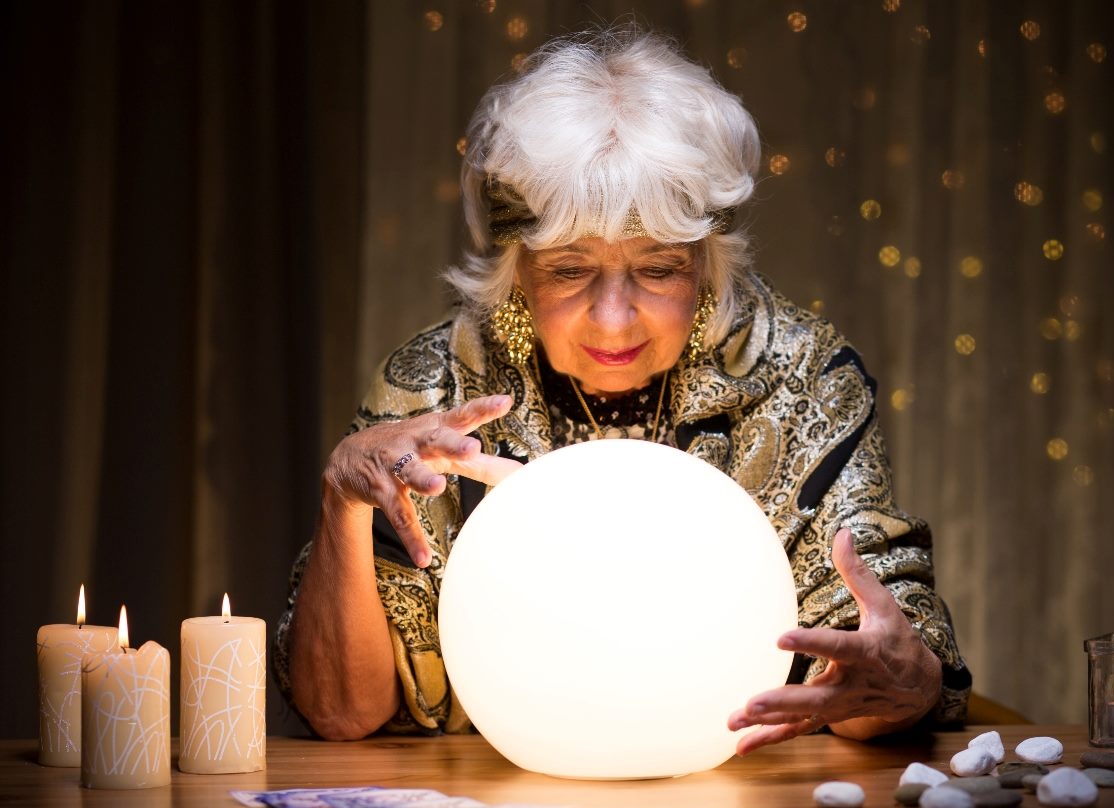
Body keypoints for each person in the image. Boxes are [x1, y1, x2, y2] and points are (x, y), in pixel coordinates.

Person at [271, 27, 971, 754]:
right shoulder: (435, 391)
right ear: (517, 271)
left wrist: (904, 679)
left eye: (659, 269)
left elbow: (881, 669)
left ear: (707, 265)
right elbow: (342, 714)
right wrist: (341, 500)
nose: (613, 318)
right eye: (569, 270)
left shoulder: (803, 376)